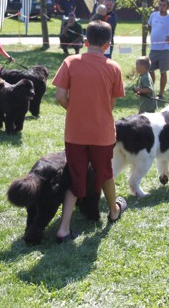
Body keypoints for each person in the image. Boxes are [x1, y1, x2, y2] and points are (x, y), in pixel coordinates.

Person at [52, 20, 127, 243]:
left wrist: (74, 110)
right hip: (103, 133)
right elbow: (112, 103)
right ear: (107, 45)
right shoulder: (114, 67)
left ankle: (63, 228)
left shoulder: (69, 62)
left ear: (85, 42)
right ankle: (113, 210)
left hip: (75, 133)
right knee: (105, 173)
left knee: (75, 175)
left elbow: (59, 96)